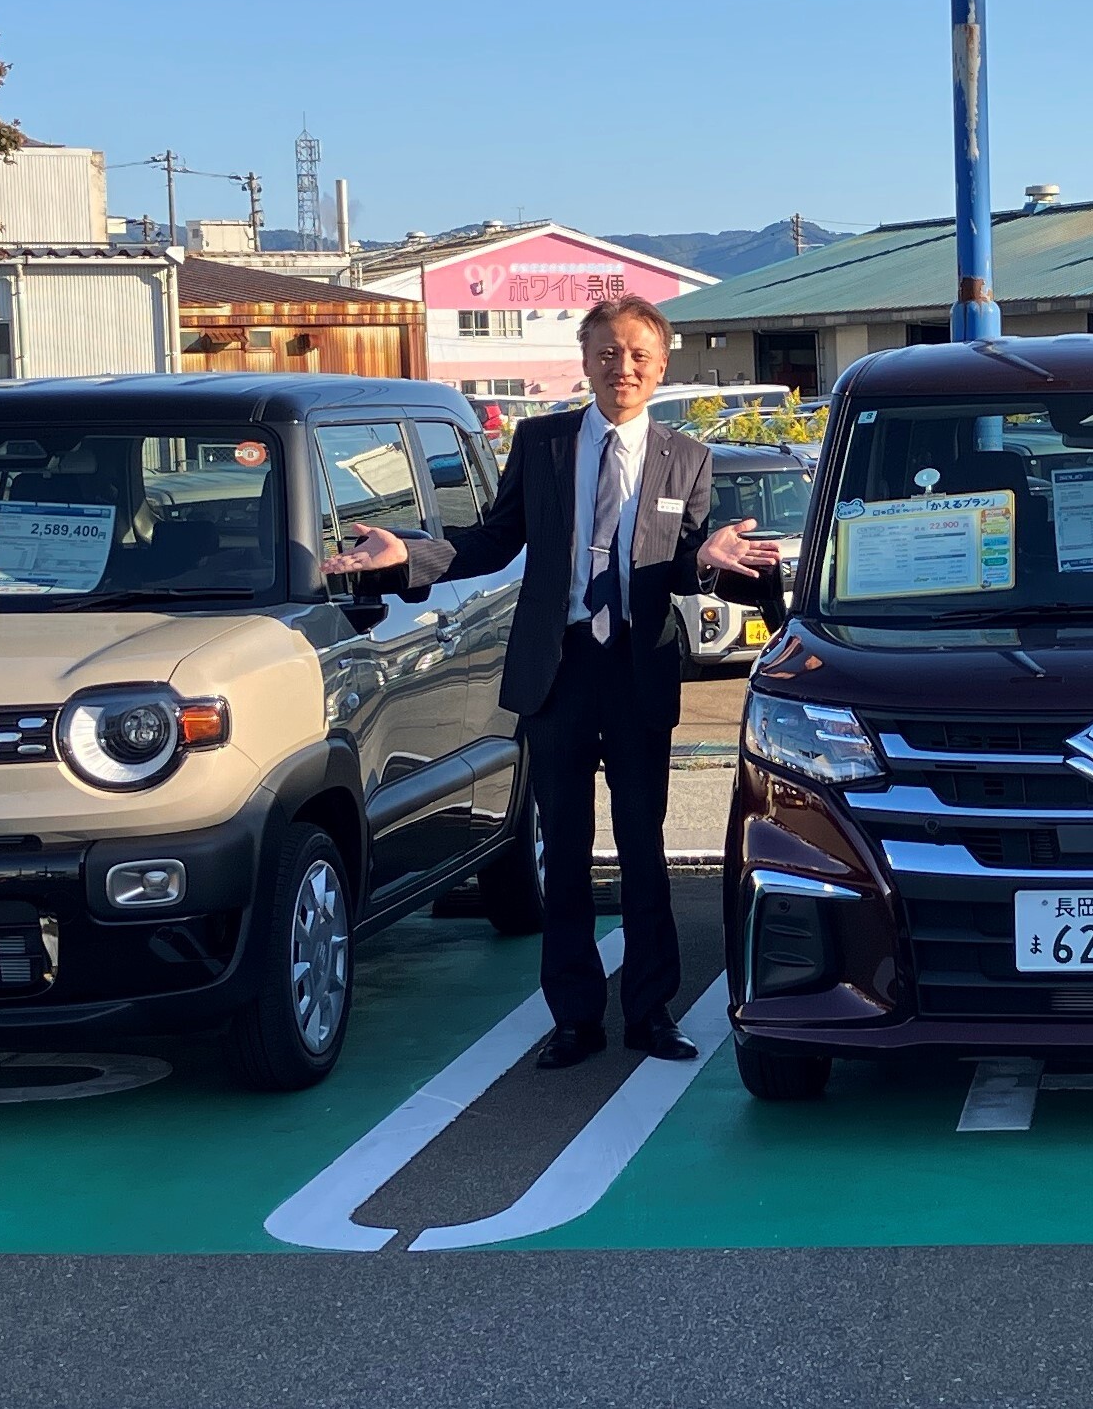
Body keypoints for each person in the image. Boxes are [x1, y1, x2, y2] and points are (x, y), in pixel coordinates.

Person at [328, 296, 785, 1069]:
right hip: (557, 668)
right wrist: (406, 556)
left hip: (637, 669)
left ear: (660, 366)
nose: (622, 368)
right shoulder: (542, 443)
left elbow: (680, 563)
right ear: (586, 361)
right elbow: (493, 541)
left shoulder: (686, 456)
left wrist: (708, 561)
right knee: (564, 849)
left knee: (643, 846)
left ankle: (651, 1011)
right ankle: (573, 1019)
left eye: (638, 355)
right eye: (607, 353)